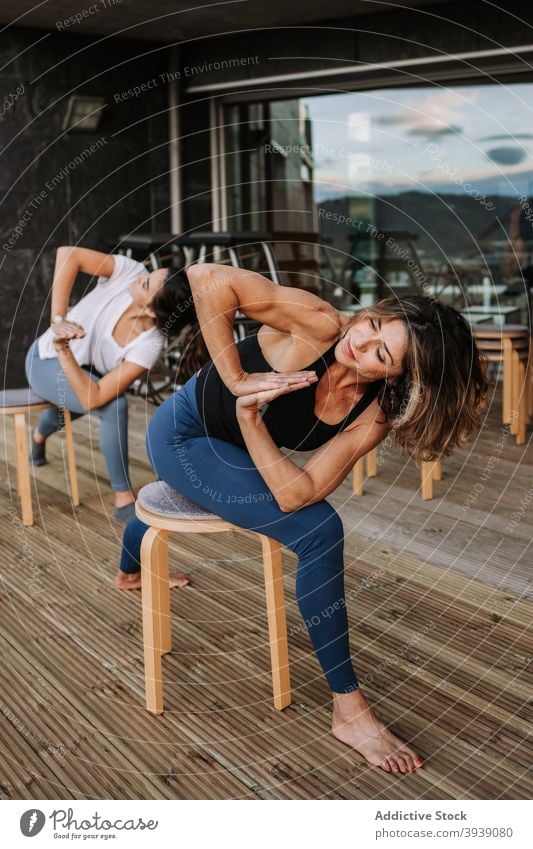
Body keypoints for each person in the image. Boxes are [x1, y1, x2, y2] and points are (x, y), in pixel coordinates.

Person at [118, 263, 488, 773]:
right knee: (323, 532)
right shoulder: (317, 322)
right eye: (373, 325)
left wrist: (249, 420)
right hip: (183, 438)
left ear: (402, 376)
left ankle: (129, 566)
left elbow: (299, 493)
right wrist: (238, 381)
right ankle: (350, 710)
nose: (361, 342)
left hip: (241, 449)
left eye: (382, 353)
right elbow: (206, 278)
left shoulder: (372, 413)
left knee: (312, 520)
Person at [25, 246, 193, 538]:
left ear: (152, 310)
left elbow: (93, 397)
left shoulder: (148, 345)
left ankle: (39, 436)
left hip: (79, 369)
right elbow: (68, 254)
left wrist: (68, 353)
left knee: (105, 401)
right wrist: (58, 322)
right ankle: (123, 496)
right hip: (44, 360)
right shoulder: (129, 272)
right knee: (113, 406)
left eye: (146, 284)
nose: (140, 276)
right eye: (148, 275)